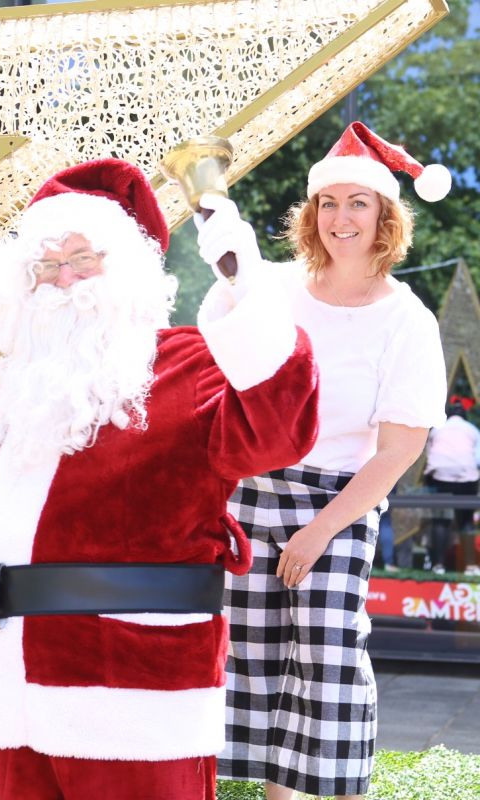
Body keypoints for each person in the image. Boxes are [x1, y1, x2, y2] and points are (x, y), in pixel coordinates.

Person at [0, 158, 320, 800]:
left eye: (82, 258)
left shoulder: (189, 364)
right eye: (45, 266)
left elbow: (281, 429)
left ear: (129, 271)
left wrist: (247, 290)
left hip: (134, 701)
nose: (62, 279)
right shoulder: (18, 395)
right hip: (14, 695)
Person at [202, 122, 449, 799]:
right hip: (253, 488)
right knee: (249, 651)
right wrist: (225, 262)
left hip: (344, 497)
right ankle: (273, 790)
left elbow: (400, 448)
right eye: (329, 203)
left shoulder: (409, 320)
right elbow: (216, 340)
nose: (342, 217)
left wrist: (319, 533)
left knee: (328, 650)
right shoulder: (275, 289)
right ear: (312, 215)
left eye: (358, 203)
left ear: (385, 217)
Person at [424, 397, 480, 574]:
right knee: (466, 521)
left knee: (441, 520)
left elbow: (429, 455)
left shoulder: (437, 429)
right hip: (467, 478)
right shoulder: (472, 430)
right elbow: (478, 459)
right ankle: (471, 566)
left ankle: (438, 565)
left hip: (440, 477)